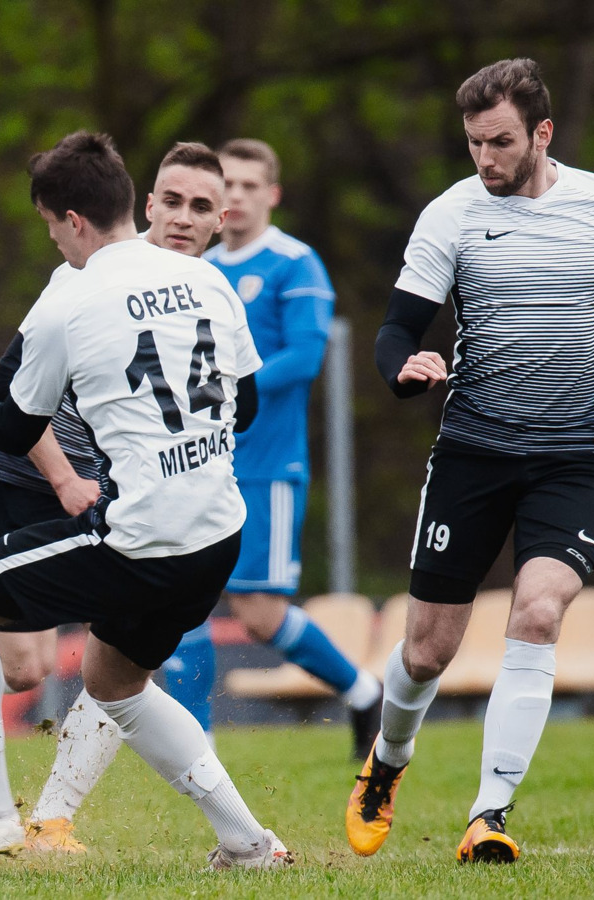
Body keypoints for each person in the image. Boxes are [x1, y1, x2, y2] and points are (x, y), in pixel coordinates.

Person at [0, 131, 291, 871]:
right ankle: (247, 843)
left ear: (71, 219)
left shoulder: (73, 297)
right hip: (217, 533)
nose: (53, 241)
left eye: (49, 226)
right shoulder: (210, 281)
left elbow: (12, 425)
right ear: (138, 204)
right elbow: (245, 405)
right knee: (115, 683)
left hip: (139, 538)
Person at [346, 58, 594, 864]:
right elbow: (396, 328)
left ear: (542, 133)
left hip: (569, 457)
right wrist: (401, 370)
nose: (485, 159)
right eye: (474, 143)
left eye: (501, 142)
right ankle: (387, 761)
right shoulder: (450, 215)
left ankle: (488, 815)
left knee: (539, 612)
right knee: (426, 651)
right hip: (471, 455)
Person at [204, 138, 382, 761]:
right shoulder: (198, 267)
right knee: (178, 597)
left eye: (249, 185)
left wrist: (226, 388)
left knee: (258, 612)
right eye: (226, 183)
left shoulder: (294, 263)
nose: (236, 195)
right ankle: (196, 748)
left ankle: (364, 691)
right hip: (198, 463)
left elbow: (305, 357)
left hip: (266, 466)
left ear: (272, 194)